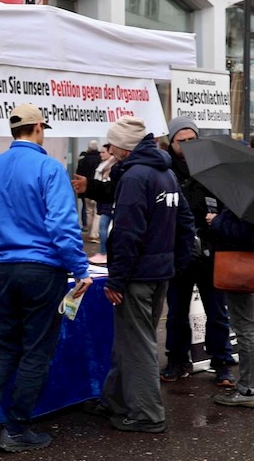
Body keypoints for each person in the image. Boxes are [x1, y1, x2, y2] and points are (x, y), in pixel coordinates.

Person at [0, 103, 93, 454]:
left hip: (5, 269)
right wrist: (80, 269)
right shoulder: (49, 168)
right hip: (43, 270)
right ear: (38, 128)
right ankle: (17, 428)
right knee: (36, 350)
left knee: (7, 345)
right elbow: (62, 225)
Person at [92, 116, 194, 434]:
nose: (108, 149)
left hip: (138, 275)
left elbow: (126, 234)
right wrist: (176, 263)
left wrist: (117, 279)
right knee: (131, 340)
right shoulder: (165, 173)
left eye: (111, 144)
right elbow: (186, 222)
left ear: (123, 146)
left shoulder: (135, 177)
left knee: (137, 344)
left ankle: (148, 413)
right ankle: (115, 399)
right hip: (159, 272)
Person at [161, 116, 235, 385]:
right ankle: (177, 361)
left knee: (217, 311)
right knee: (177, 311)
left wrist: (218, 221)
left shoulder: (212, 168)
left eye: (193, 140)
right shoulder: (164, 170)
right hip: (178, 251)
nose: (188, 146)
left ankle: (223, 363)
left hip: (210, 250)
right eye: (182, 141)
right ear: (171, 143)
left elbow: (230, 204)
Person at [207, 209, 254, 406]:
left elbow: (246, 233)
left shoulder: (247, 199)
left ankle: (248, 388)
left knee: (245, 328)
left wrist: (217, 221)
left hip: (242, 269)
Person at [89, 144, 115, 264]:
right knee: (103, 227)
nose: (101, 154)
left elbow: (109, 185)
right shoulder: (102, 165)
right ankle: (104, 252)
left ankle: (105, 252)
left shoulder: (112, 166)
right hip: (104, 200)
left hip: (109, 202)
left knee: (103, 227)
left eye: (104, 152)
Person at [77, 140, 102, 237]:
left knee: (88, 211)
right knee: (96, 212)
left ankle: (87, 228)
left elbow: (78, 174)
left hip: (86, 188)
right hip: (98, 187)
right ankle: (94, 233)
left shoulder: (83, 160)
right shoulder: (101, 160)